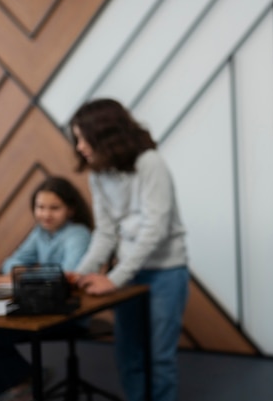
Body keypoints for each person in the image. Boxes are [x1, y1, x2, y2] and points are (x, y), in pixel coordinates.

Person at [68, 98, 190, 401]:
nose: (79, 146)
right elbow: (106, 232)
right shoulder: (98, 173)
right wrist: (81, 272)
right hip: (128, 273)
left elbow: (155, 230)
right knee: (128, 356)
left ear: (104, 135)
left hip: (165, 273)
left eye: (83, 138)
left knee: (159, 359)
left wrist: (114, 278)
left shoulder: (150, 162)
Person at [0, 176, 93, 401]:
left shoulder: (78, 233)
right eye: (40, 207)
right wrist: (25, 275)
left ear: (70, 210)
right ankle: (23, 379)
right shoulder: (40, 232)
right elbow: (12, 263)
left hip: (66, 313)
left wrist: (24, 276)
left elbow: (66, 275)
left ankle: (22, 381)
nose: (45, 214)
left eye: (54, 208)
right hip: (36, 306)